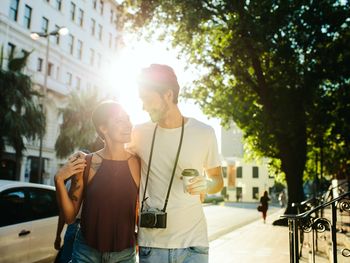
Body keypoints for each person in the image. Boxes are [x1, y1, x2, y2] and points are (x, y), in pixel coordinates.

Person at [128, 64, 224, 263]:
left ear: (168, 95)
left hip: (193, 245)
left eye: (147, 99)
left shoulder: (204, 132)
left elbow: (218, 181)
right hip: (152, 246)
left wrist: (206, 184)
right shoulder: (138, 133)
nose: (143, 107)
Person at [54, 101, 140, 263]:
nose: (128, 125)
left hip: (124, 254)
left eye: (128, 119)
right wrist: (58, 180)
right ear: (103, 128)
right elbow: (70, 217)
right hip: (86, 252)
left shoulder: (138, 163)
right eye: (120, 121)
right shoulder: (85, 164)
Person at [54, 180, 82, 263]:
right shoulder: (96, 179)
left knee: (67, 259)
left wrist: (58, 235)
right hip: (82, 225)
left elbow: (63, 212)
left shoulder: (70, 183)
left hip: (74, 225)